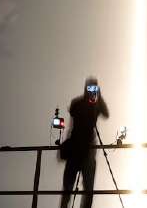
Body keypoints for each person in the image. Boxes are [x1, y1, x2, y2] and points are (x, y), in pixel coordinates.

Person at [59, 77, 110, 208]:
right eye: (90, 87)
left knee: (83, 190)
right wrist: (97, 100)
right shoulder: (79, 103)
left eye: (94, 88)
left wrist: (99, 98)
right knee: (74, 189)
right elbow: (105, 114)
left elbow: (106, 114)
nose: (92, 90)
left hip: (84, 150)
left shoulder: (87, 104)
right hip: (79, 149)